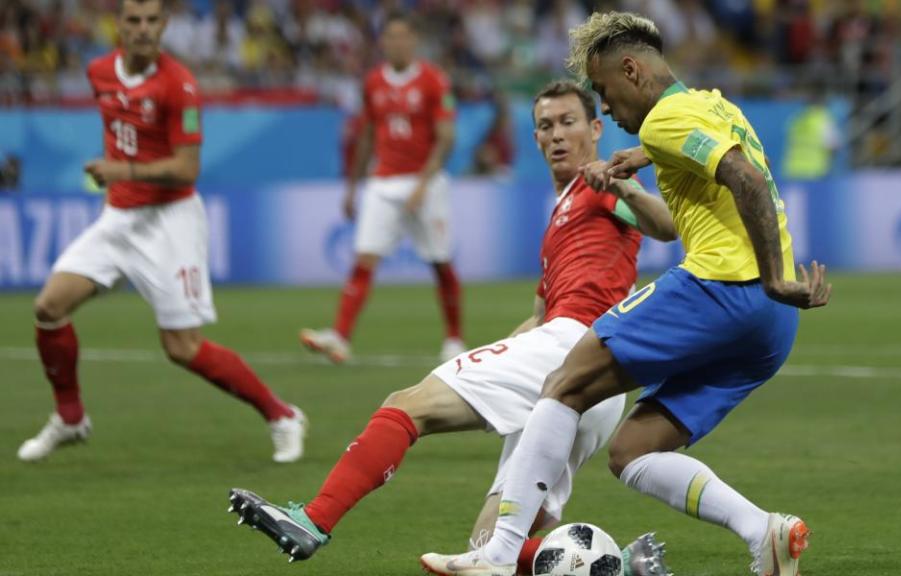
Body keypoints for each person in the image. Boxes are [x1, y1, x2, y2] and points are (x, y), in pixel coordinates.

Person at [421, 12, 831, 576]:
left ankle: (497, 553)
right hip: (772, 324)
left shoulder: (664, 119)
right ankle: (764, 531)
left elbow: (747, 179)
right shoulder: (715, 105)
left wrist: (772, 275)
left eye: (605, 92)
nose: (607, 110)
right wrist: (643, 157)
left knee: (564, 383)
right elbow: (714, 155)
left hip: (723, 286)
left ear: (632, 70)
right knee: (633, 450)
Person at [225, 79, 679, 569]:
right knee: (488, 546)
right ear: (535, 138)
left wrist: (621, 180)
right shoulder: (561, 217)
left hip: (574, 349)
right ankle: (621, 566)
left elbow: (665, 226)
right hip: (593, 385)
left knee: (407, 405)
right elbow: (537, 317)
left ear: (594, 129)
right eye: (545, 126)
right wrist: (499, 352)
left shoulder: (599, 190)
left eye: (568, 123)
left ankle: (313, 519)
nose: (557, 135)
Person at [16, 0, 306, 464]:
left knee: (182, 347)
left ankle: (282, 415)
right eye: (134, 21)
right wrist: (121, 174)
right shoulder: (98, 72)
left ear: (165, 26)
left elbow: (187, 168)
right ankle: (70, 418)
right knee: (49, 306)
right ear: (119, 26)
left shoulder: (179, 85)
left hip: (169, 222)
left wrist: (121, 168)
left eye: (153, 21)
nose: (144, 30)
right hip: (119, 218)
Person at [299, 11, 465, 363]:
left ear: (414, 40)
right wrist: (351, 186)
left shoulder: (435, 81)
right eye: (390, 37)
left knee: (440, 261)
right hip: (383, 181)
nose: (397, 43)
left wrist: (422, 183)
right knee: (363, 259)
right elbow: (367, 135)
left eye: (403, 37)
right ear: (382, 42)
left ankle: (453, 338)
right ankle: (340, 337)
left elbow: (446, 139)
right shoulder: (373, 82)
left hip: (426, 182)